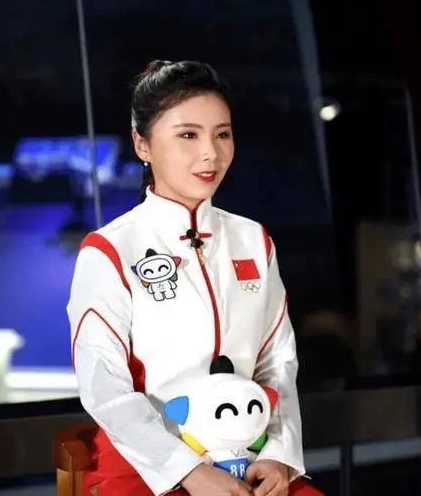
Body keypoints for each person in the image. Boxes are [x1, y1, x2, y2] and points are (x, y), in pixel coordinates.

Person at [67, 60, 322, 496]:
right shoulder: (110, 250)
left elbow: (277, 359)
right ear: (142, 143)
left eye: (222, 134)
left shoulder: (253, 240)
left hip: (249, 456)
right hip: (149, 469)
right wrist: (189, 471)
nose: (211, 153)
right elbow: (104, 387)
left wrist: (279, 453)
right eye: (188, 135)